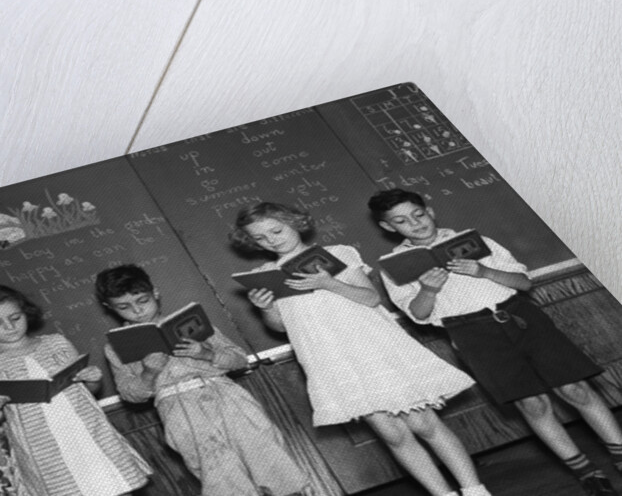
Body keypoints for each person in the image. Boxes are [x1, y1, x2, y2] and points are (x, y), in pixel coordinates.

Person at [368, 188, 622, 496]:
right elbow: (418, 315)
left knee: (575, 389)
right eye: (402, 221)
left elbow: (524, 282)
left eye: (418, 214)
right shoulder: (395, 265)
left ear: (430, 211)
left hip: (521, 317)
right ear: (388, 227)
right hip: (471, 333)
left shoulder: (477, 241)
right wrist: (428, 290)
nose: (416, 223)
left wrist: (483, 270)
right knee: (532, 403)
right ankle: (584, 470)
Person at [231, 201, 493, 496]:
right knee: (392, 435)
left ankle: (474, 490)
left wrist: (328, 283)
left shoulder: (338, 254)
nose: (272, 240)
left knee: (424, 423)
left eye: (276, 230)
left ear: (293, 222)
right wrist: (265, 309)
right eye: (261, 238)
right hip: (331, 360)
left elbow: (370, 299)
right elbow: (280, 326)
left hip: (372, 348)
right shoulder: (268, 274)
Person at [95, 264, 312, 496]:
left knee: (270, 458)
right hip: (177, 409)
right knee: (219, 475)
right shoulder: (116, 346)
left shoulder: (192, 321)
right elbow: (130, 394)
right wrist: (149, 373)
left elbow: (240, 360)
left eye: (143, 301)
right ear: (110, 308)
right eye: (124, 307)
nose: (137, 311)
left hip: (226, 396)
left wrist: (207, 354)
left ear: (155, 293)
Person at [0, 284, 152, 496]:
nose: (9, 327)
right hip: (42, 449)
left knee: (115, 484)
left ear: (26, 313)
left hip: (88, 433)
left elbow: (88, 391)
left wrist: (93, 379)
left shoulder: (56, 343)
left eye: (15, 318)